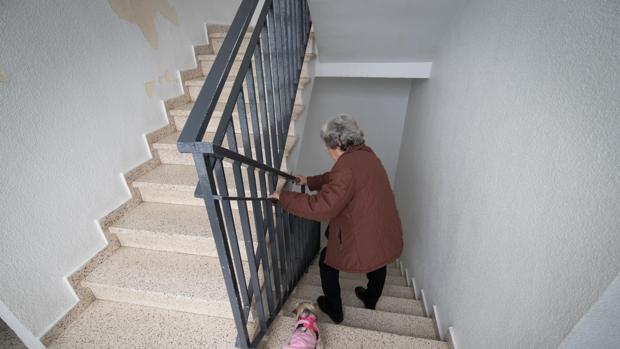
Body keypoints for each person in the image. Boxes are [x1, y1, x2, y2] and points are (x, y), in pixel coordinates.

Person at [270, 114, 403, 323]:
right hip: (381, 223)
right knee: (378, 259)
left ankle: (334, 309)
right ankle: (370, 299)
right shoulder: (365, 155)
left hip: (363, 226)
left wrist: (284, 198)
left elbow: (323, 207)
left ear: (340, 143)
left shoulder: (346, 167)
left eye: (328, 145)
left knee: (326, 262)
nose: (327, 150)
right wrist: (310, 181)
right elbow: (337, 179)